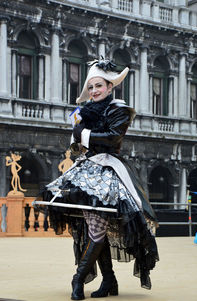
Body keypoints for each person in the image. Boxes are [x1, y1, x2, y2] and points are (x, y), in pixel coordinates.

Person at [35, 58, 159, 300]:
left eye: (98, 86)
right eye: (90, 87)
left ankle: (78, 279)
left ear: (110, 87)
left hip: (109, 172)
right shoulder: (83, 113)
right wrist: (76, 137)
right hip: (86, 171)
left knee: (96, 228)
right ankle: (109, 280)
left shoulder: (120, 110)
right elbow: (76, 150)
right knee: (94, 227)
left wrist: (84, 133)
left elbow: (112, 139)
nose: (93, 91)